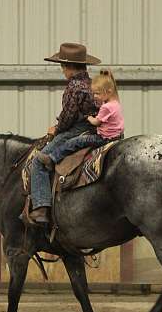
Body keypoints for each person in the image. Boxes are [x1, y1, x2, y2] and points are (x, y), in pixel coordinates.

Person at [27, 43, 101, 225]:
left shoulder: (74, 86)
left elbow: (68, 117)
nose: (62, 71)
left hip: (79, 129)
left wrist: (56, 128)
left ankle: (42, 207)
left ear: (69, 67)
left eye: (62, 67)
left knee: (39, 161)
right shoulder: (92, 84)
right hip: (98, 129)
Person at [40, 69, 124, 166]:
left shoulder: (106, 107)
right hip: (117, 136)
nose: (95, 96)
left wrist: (88, 118)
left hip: (104, 138)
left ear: (108, 92)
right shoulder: (116, 103)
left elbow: (96, 122)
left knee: (74, 142)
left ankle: (52, 159)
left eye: (97, 93)